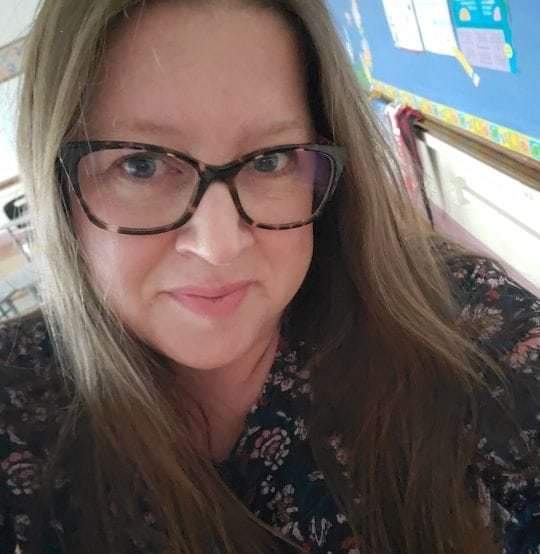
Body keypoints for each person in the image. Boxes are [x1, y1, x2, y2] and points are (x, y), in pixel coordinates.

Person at [0, 0, 538, 552]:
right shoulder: (16, 410)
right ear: (57, 190)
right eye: (141, 165)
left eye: (269, 161)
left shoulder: (473, 327)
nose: (218, 246)